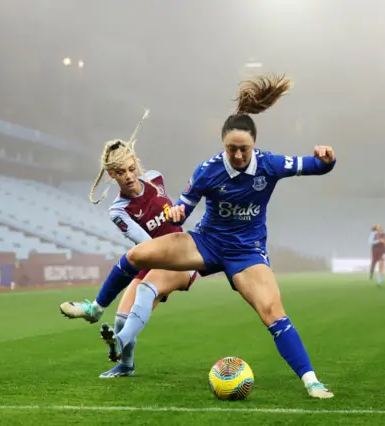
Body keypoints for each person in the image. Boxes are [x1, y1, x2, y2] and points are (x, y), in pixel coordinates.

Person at [76, 74, 337, 399]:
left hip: (247, 252)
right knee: (137, 256)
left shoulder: (271, 164)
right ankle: (96, 308)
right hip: (206, 244)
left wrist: (328, 158)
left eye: (244, 149)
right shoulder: (207, 170)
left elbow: (316, 166)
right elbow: (184, 208)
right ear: (223, 146)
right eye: (231, 149)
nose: (238, 156)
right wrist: (177, 214)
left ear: (253, 145)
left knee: (273, 312)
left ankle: (311, 381)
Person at [59, 110, 198, 378]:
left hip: (182, 258)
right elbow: (146, 245)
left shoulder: (156, 179)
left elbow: (177, 212)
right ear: (112, 175)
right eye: (121, 172)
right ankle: (126, 364)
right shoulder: (119, 211)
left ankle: (114, 336)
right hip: (154, 259)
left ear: (137, 163)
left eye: (132, 168)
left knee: (145, 292)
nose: (129, 176)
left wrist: (175, 212)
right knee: (122, 319)